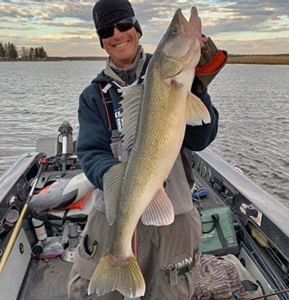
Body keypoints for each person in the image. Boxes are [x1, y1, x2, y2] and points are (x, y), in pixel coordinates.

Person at [67, 0, 227, 299]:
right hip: (114, 215)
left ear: (137, 29)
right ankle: (117, 260)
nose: (117, 34)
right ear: (102, 42)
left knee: (170, 291)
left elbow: (200, 140)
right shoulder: (93, 95)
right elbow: (89, 152)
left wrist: (200, 88)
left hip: (173, 216)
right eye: (106, 30)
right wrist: (119, 179)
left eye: (124, 24)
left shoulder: (170, 76)